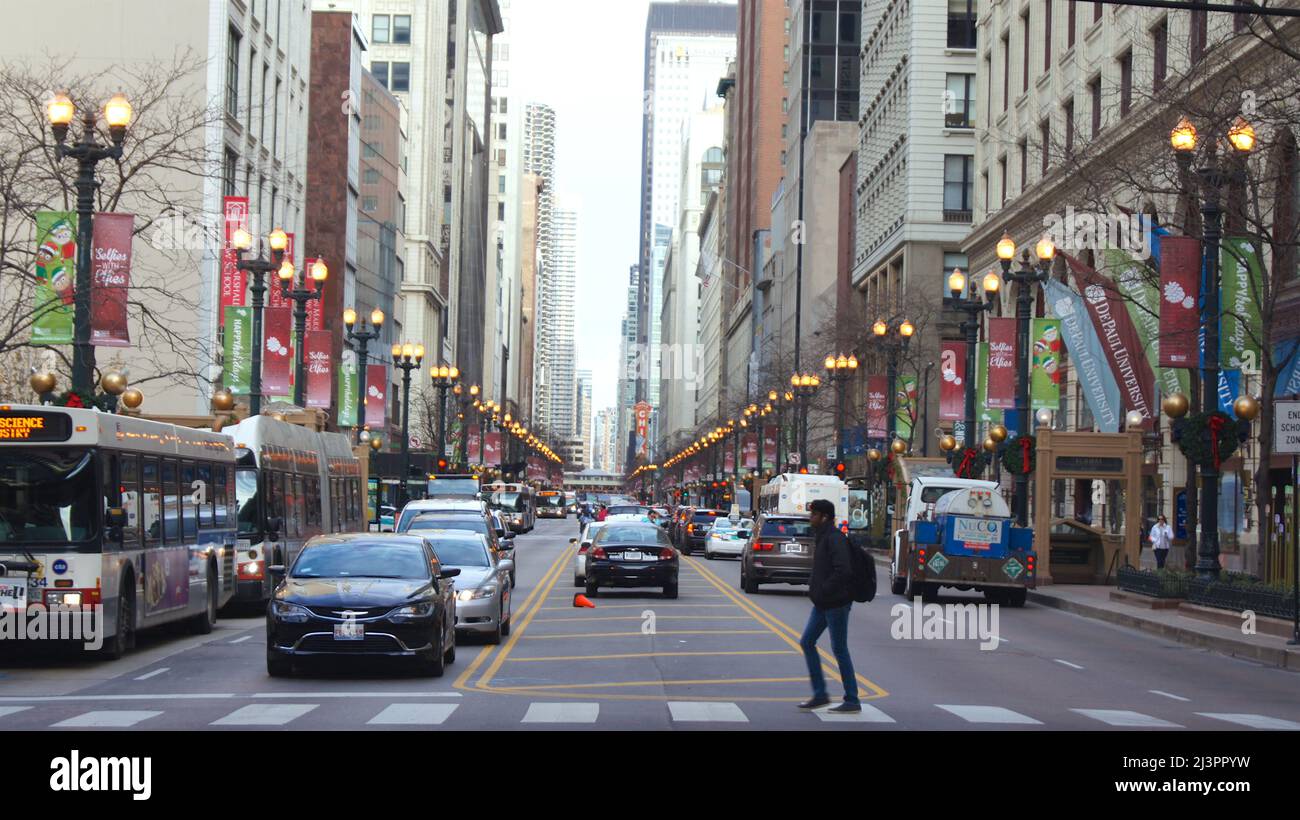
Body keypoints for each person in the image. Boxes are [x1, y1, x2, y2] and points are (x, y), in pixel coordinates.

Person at [798, 498, 860, 713]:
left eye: (813, 514)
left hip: (836, 603)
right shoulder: (824, 536)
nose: (810, 518)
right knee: (807, 642)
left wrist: (824, 589)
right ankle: (820, 694)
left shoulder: (834, 539)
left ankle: (852, 699)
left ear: (824, 517)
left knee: (839, 649)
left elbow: (844, 571)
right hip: (824, 603)